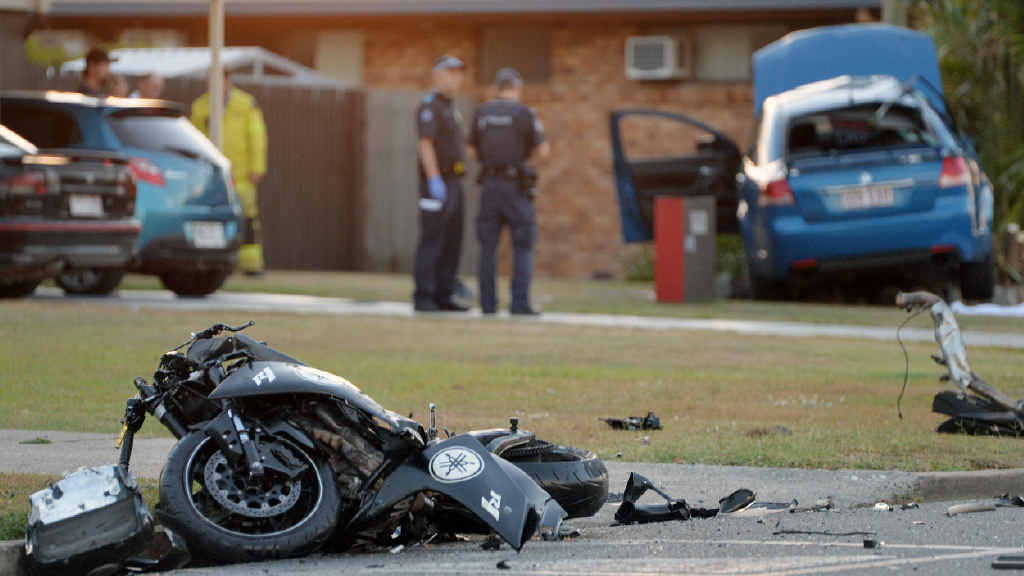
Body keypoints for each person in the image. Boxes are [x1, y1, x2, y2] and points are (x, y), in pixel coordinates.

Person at [468, 68, 550, 315]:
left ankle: (487, 304)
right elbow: (543, 150)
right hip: (515, 186)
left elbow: (471, 151)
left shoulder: (481, 112)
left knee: (487, 247)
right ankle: (520, 303)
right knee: (523, 244)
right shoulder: (525, 113)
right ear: (517, 88)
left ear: (496, 88)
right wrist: (523, 161)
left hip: (490, 186)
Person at [190, 69, 268, 275]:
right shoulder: (200, 106)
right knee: (212, 217)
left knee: (247, 218)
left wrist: (257, 167)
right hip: (211, 175)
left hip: (241, 174)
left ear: (228, 81)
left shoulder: (246, 103)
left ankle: (251, 265)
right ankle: (216, 262)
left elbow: (257, 136)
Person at [412, 55, 470, 312]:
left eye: (459, 73)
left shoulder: (451, 107)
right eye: (450, 72)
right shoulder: (430, 106)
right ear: (437, 74)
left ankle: (444, 295)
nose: (455, 77)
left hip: (455, 181)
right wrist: (434, 178)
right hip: (437, 182)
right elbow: (425, 144)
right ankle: (424, 296)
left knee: (452, 240)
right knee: (432, 238)